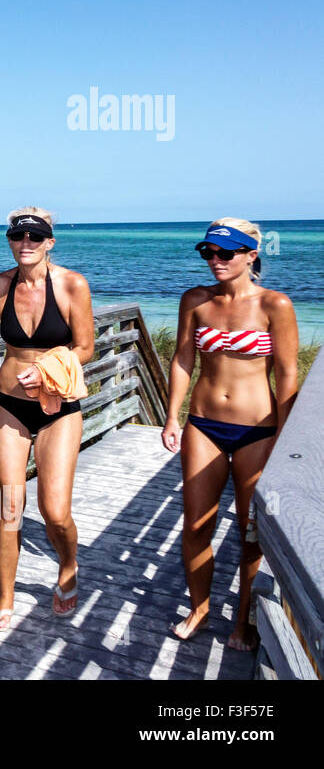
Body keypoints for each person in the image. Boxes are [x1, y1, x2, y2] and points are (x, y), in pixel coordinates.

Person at [0, 207, 95, 631]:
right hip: (8, 404)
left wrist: (50, 367)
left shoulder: (73, 285)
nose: (26, 243)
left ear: (50, 241)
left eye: (36, 237)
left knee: (54, 512)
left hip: (59, 408)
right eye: (19, 237)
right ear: (11, 241)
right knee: (10, 507)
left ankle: (68, 565)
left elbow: (85, 347)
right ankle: (5, 596)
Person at [162, 218, 298, 651]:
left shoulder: (274, 305)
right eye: (209, 253)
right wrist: (171, 416)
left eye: (227, 253)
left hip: (257, 429)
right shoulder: (196, 301)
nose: (216, 261)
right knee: (197, 524)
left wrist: (283, 437)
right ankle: (200, 609)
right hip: (203, 424)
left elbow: (287, 372)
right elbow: (183, 359)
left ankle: (244, 620)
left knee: (248, 530)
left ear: (252, 254)